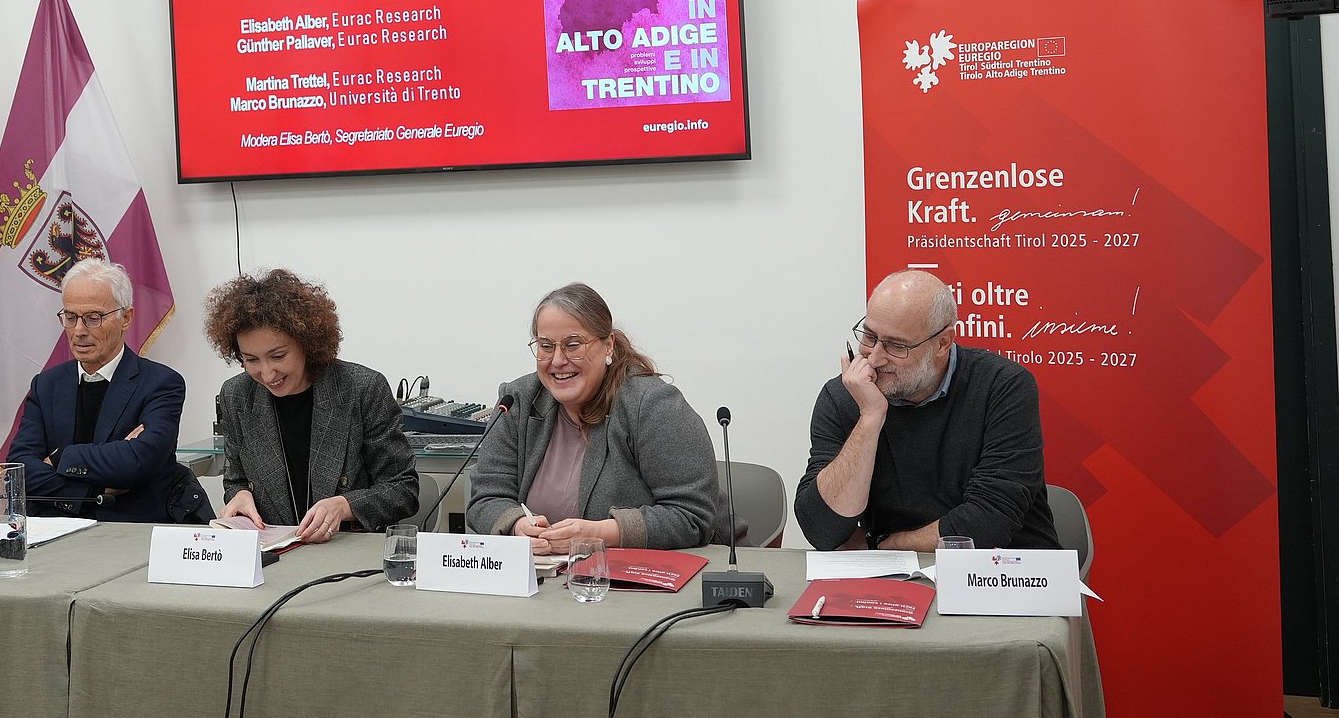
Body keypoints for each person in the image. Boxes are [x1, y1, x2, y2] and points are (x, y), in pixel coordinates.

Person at [795, 269, 1058, 552]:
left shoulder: (1003, 386)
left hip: (1006, 573)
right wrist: (870, 418)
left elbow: (987, 523)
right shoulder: (844, 396)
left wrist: (883, 546)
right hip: (897, 580)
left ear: (942, 343)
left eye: (896, 346)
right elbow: (821, 530)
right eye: (869, 336)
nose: (874, 357)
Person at [466, 282, 733, 552]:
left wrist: (600, 534)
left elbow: (692, 517)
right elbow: (486, 498)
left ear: (608, 346)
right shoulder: (517, 402)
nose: (557, 360)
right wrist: (517, 525)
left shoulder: (652, 405)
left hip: (660, 580)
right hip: (553, 581)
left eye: (573, 345)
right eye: (546, 346)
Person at [204, 268, 417, 542]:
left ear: (307, 343)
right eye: (251, 360)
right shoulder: (237, 395)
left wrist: (345, 506)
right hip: (273, 556)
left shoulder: (362, 389)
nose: (268, 374)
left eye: (278, 356)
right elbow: (236, 481)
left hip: (348, 550)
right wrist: (240, 496)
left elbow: (403, 489)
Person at [6, 258, 186, 523]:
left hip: (130, 531)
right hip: (55, 529)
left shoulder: (161, 383)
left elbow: (137, 462)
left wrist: (59, 457)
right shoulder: (47, 385)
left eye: (93, 318)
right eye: (70, 317)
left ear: (125, 317)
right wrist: (93, 491)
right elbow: (19, 472)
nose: (78, 331)